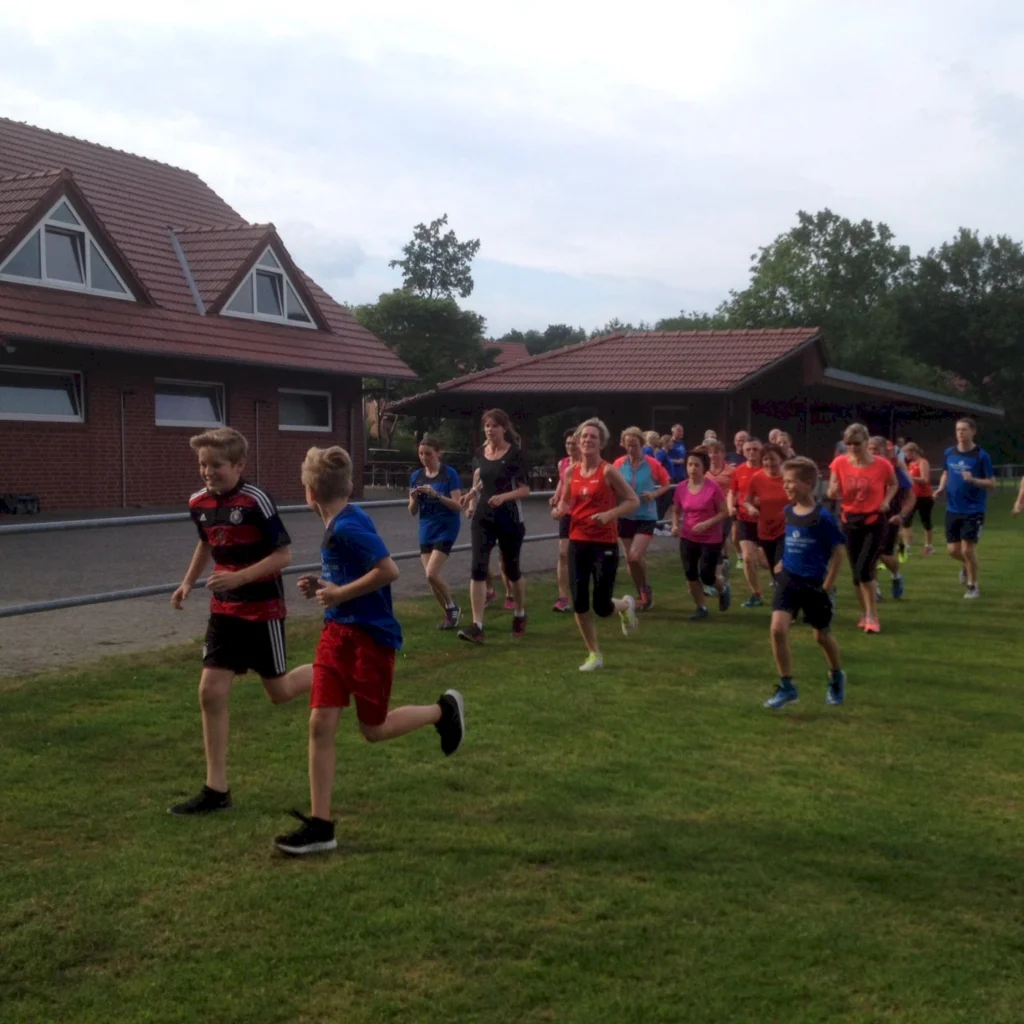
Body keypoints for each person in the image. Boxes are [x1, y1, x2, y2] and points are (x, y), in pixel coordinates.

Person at [273, 446, 465, 856]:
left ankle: (442, 711)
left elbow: (388, 570)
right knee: (320, 724)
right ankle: (321, 825)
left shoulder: (347, 525)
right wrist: (322, 585)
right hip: (335, 635)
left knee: (373, 730)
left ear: (309, 492)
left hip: (369, 640)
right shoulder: (340, 521)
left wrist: (339, 591)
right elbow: (347, 573)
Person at [169, 427, 310, 816]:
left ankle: (334, 671)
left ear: (239, 465)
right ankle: (216, 790)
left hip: (263, 610)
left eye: (217, 465)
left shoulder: (256, 500)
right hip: (223, 612)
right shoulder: (198, 502)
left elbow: (283, 556)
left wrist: (241, 577)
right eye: (202, 465)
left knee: (279, 692)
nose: (208, 472)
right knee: (210, 692)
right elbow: (206, 542)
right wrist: (187, 583)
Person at [763, 457, 847, 710]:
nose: (786, 486)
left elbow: (839, 554)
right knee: (777, 630)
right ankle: (787, 686)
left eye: (791, 481)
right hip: (789, 580)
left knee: (821, 636)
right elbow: (793, 541)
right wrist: (783, 563)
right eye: (784, 481)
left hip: (814, 585)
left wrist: (826, 587)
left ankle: (836, 675)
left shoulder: (822, 517)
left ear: (808, 483)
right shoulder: (789, 512)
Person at [556, 418, 640, 670]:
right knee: (580, 601)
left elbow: (633, 500)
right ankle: (594, 654)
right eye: (584, 437)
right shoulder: (571, 471)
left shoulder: (608, 472)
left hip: (604, 542)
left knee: (602, 606)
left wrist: (609, 515)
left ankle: (625, 605)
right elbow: (567, 502)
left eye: (593, 437)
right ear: (578, 443)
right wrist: (560, 509)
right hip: (578, 541)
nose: (587, 440)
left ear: (601, 443)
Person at [458, 409, 531, 643]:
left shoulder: (515, 454)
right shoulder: (482, 451)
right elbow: (482, 479)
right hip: (483, 518)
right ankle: (477, 625)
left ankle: (520, 613)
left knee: (511, 570)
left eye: (495, 426)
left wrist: (503, 497)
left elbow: (525, 490)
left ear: (504, 428)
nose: (490, 430)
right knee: (478, 568)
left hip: (509, 518)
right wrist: (471, 494)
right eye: (487, 426)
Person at [828, 423, 897, 633]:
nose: (852, 448)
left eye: (857, 443)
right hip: (850, 521)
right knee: (856, 574)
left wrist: (886, 500)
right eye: (848, 444)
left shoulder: (882, 465)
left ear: (867, 442)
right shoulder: (839, 463)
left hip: (874, 521)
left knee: (864, 569)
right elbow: (832, 490)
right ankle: (865, 612)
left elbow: (893, 484)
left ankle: (873, 616)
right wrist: (833, 491)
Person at [933, 417, 995, 599]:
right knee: (953, 551)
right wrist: (941, 488)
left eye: (964, 430)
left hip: (974, 509)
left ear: (973, 432)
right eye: (958, 430)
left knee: (968, 549)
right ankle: (967, 566)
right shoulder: (949, 453)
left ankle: (973, 586)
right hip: (953, 509)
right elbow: (946, 473)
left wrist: (974, 480)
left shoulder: (981, 456)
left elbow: (992, 483)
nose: (960, 433)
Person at [614, 426, 672, 610]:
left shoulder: (652, 463)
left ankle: (646, 590)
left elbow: (666, 484)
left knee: (635, 555)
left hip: (646, 515)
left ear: (641, 444)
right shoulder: (618, 464)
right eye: (628, 445)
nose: (632, 449)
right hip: (625, 515)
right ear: (623, 445)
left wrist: (654, 495)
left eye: (635, 445)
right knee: (630, 559)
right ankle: (642, 594)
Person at [408, 436, 463, 630]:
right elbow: (412, 510)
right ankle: (449, 613)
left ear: (438, 453)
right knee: (430, 579)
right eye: (421, 454)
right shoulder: (416, 476)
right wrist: (414, 499)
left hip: (446, 527)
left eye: (429, 454)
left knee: (432, 573)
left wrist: (436, 495)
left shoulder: (449, 474)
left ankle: (452, 606)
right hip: (426, 528)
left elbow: (458, 505)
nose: (424, 458)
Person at [671, 447, 732, 620]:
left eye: (696, 465)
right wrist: (675, 526)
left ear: (703, 467)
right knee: (690, 574)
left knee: (707, 575)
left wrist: (707, 523)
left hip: (711, 538)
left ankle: (723, 588)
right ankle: (701, 607)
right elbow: (676, 510)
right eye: (689, 465)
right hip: (688, 536)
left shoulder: (713, 488)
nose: (692, 469)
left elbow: (724, 512)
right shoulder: (681, 487)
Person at [868, 436, 915, 601]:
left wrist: (901, 515)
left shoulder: (894, 470)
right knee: (870, 554)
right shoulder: (863, 469)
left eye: (876, 449)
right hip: (868, 516)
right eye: (870, 449)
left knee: (884, 554)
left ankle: (896, 576)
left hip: (890, 517)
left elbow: (911, 497)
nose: (873, 452)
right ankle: (876, 590)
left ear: (884, 451)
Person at [744, 443, 789, 588]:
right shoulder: (757, 478)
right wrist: (751, 508)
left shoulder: (789, 477)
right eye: (765, 459)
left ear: (781, 459)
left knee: (780, 569)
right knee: (773, 571)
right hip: (766, 531)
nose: (769, 463)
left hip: (787, 529)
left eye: (773, 459)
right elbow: (746, 501)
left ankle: (784, 604)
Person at [729, 437, 766, 606]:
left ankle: (787, 586)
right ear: (743, 452)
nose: (751, 452)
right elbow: (732, 491)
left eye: (755, 449)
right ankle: (756, 594)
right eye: (748, 449)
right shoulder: (738, 471)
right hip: (745, 518)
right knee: (748, 558)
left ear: (761, 451)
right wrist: (730, 506)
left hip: (766, 520)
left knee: (766, 561)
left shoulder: (768, 470)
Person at [549, 429, 581, 612]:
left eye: (573, 443)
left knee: (580, 555)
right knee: (562, 553)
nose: (570, 446)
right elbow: (562, 481)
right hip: (567, 514)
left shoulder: (586, 464)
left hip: (583, 514)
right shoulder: (563, 463)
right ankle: (562, 597)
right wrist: (556, 496)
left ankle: (581, 591)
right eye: (567, 443)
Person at [705, 439, 736, 592]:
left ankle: (714, 580)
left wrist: (732, 505)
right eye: (710, 452)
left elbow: (735, 490)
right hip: (706, 513)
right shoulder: (704, 470)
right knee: (710, 546)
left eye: (716, 452)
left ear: (723, 454)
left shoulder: (731, 471)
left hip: (723, 512)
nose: (712, 455)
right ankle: (723, 565)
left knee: (716, 544)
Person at [901, 442, 935, 557]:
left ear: (913, 452)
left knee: (926, 521)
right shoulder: (910, 464)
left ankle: (929, 546)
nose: (905, 455)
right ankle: (907, 547)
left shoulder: (923, 462)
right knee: (906, 520)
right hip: (913, 497)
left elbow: (925, 480)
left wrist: (911, 478)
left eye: (906, 452)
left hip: (924, 497)